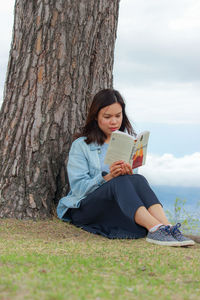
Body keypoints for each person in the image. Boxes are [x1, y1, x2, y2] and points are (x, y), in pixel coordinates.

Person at [57, 88, 194, 247]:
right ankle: (155, 229)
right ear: (96, 117)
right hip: (85, 209)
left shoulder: (128, 142)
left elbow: (132, 191)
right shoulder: (81, 146)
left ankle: (167, 227)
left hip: (116, 208)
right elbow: (78, 188)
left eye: (118, 116)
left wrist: (128, 174)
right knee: (119, 182)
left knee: (137, 178)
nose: (114, 121)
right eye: (107, 117)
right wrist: (106, 177)